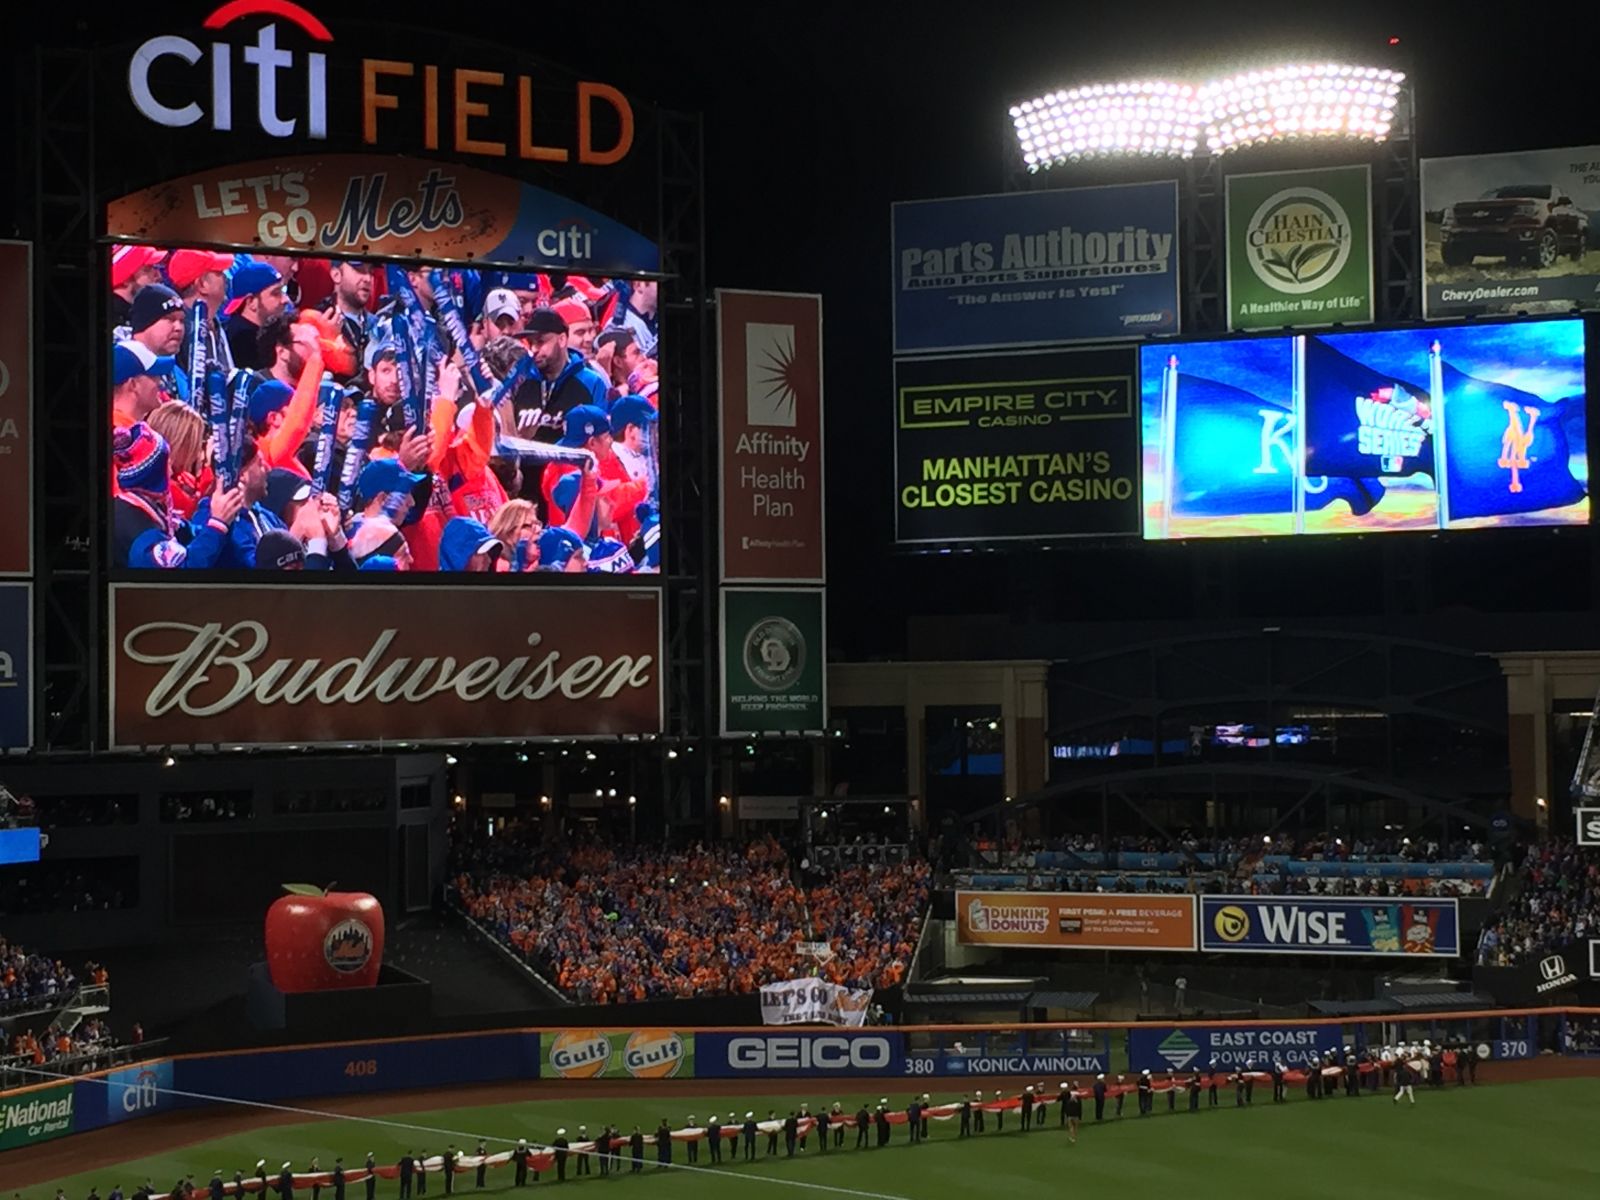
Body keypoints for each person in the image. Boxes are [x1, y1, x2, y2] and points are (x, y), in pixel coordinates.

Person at [224, 260, 287, 371]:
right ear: (251, 302)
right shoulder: (242, 340)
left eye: (282, 291)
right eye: (276, 293)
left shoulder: (258, 333)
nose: (285, 300)